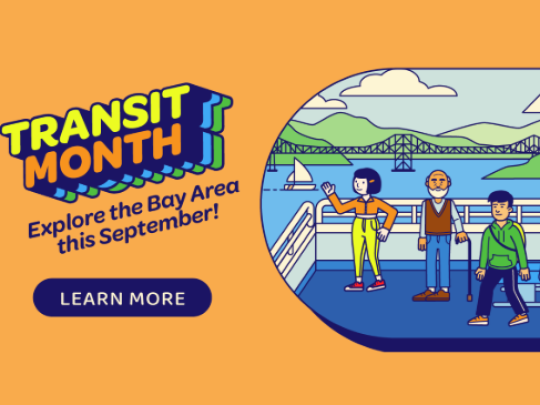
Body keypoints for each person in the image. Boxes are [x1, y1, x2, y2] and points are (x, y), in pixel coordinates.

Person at [321, 168, 397, 292]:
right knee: (358, 254)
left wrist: (386, 228)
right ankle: (358, 281)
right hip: (357, 224)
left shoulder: (376, 202)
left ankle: (379, 280)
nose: (357, 185)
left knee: (372, 254)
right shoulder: (356, 201)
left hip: (372, 225)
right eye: (356, 182)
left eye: (362, 182)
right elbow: (340, 209)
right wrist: (331, 195)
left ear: (371, 184)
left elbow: (392, 211)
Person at [468, 191, 530, 327]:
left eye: (502, 206)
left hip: (509, 267)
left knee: (511, 290)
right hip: (493, 266)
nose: (497, 209)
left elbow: (520, 250)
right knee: (485, 288)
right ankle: (482, 316)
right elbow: (484, 251)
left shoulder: (513, 230)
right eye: (494, 206)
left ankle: (522, 314)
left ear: (509, 209)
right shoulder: (489, 231)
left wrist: (524, 267)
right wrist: (482, 267)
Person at [412, 170, 468, 302]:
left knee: (444, 262)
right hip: (430, 236)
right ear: (427, 183)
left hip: (445, 237)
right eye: (434, 181)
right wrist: (421, 237)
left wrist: (460, 231)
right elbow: (423, 222)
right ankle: (430, 289)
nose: (438, 185)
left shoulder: (450, 204)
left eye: (441, 181)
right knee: (430, 262)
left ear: (448, 182)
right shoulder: (425, 204)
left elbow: (456, 219)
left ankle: (444, 290)